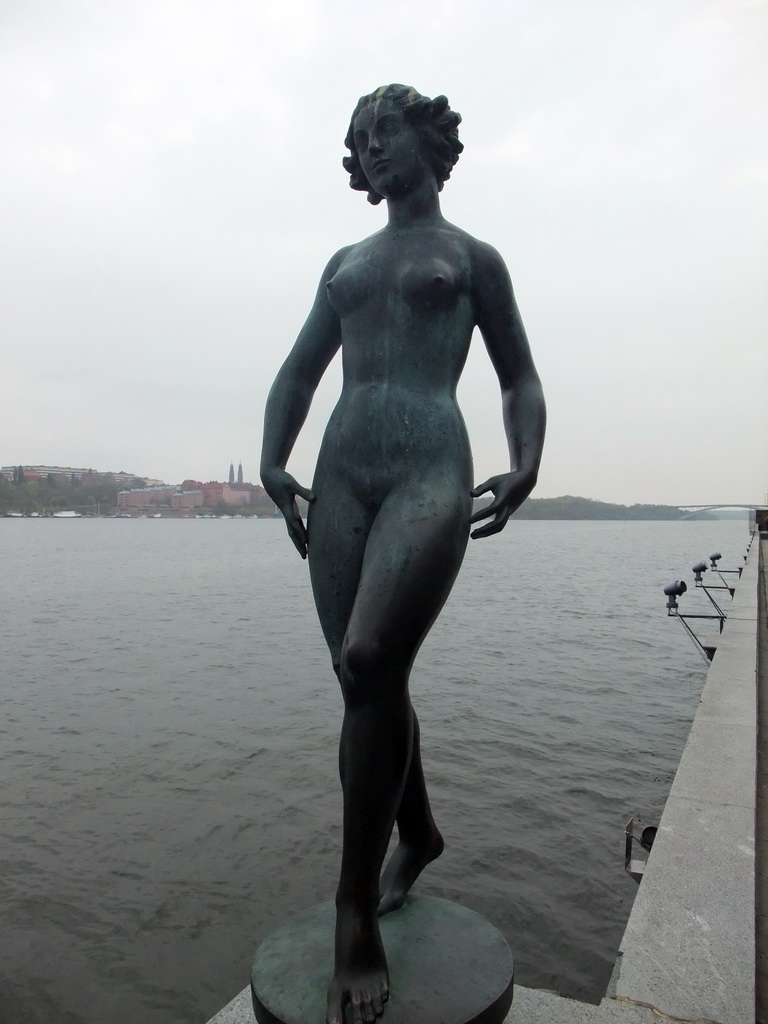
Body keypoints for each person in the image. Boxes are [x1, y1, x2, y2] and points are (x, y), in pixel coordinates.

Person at [260, 84, 546, 1024]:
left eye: (388, 130)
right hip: (342, 475)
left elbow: (519, 375)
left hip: (430, 467)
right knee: (363, 684)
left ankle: (354, 914)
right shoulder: (343, 263)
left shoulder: (472, 258)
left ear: (428, 140)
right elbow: (301, 371)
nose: (374, 148)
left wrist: (526, 462)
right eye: (361, 138)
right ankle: (416, 831)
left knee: (372, 655)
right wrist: (271, 459)